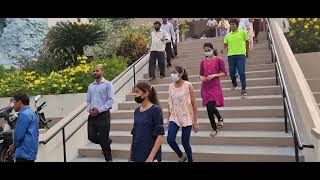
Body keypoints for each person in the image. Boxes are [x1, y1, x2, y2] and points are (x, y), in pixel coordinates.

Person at [166, 66, 199, 162]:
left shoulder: (188, 85)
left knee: (185, 142)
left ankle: (190, 160)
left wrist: (195, 122)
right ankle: (181, 156)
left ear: (181, 73)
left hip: (187, 116)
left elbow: (194, 104)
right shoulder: (170, 86)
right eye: (171, 72)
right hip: (174, 116)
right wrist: (168, 119)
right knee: (170, 139)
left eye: (174, 72)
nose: (172, 74)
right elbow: (170, 103)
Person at [129, 82, 164, 162]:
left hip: (150, 154)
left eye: (137, 92)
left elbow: (160, 135)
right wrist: (130, 154)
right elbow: (135, 134)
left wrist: (151, 157)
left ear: (146, 93)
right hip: (137, 153)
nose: (134, 94)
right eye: (134, 92)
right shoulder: (137, 111)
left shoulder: (156, 110)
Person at [87, 64, 114, 162]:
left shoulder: (107, 84)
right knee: (91, 137)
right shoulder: (91, 86)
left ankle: (109, 159)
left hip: (103, 115)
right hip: (92, 115)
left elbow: (110, 100)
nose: (95, 73)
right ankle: (108, 141)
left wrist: (99, 110)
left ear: (102, 72)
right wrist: (89, 109)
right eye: (94, 71)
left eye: (97, 71)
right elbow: (88, 101)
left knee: (103, 138)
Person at [200, 43, 227, 137]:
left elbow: (224, 73)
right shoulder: (203, 62)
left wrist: (214, 75)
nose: (207, 52)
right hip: (205, 87)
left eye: (208, 50)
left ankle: (217, 123)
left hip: (215, 86)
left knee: (211, 106)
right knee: (209, 108)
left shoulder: (219, 60)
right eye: (205, 51)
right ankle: (216, 125)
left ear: (212, 49)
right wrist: (202, 78)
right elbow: (201, 74)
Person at [7, 93, 39, 162]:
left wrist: (13, 146)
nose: (13, 105)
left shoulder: (24, 114)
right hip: (31, 152)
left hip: (23, 152)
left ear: (20, 102)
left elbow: (19, 135)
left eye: (14, 102)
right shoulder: (32, 113)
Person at [224, 19, 249, 97]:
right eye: (230, 24)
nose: (232, 26)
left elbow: (247, 42)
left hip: (241, 55)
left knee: (241, 72)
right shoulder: (227, 35)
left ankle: (243, 89)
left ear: (237, 25)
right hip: (231, 56)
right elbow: (225, 45)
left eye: (233, 24)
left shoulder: (243, 32)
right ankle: (234, 83)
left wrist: (247, 52)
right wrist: (223, 49)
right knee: (231, 72)